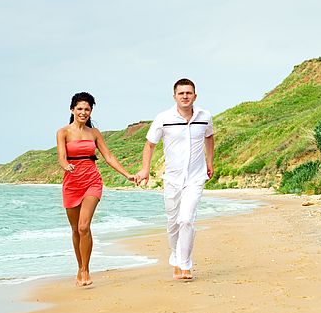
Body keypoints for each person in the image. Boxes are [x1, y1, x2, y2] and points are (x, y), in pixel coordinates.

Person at [133, 79, 214, 281]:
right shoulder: (163, 118)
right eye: (181, 93)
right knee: (173, 222)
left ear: (195, 95)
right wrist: (145, 169)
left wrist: (210, 162)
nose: (185, 96)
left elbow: (209, 137)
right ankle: (176, 257)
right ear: (174, 96)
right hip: (172, 179)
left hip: (195, 177)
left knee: (186, 219)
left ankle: (185, 265)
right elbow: (150, 145)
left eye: (189, 93)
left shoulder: (205, 117)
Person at [57, 92, 136, 287]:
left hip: (92, 181)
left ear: (91, 111)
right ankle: (79, 266)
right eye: (80, 108)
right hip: (71, 183)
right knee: (75, 230)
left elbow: (108, 157)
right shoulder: (63, 132)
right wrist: (66, 165)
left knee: (84, 226)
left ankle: (85, 269)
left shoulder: (94, 133)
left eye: (87, 109)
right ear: (72, 110)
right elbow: (61, 157)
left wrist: (127, 174)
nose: (83, 112)